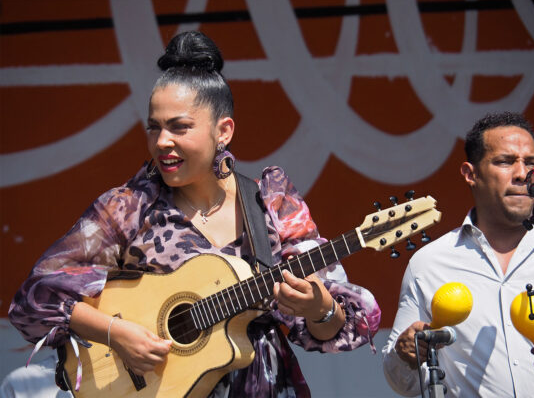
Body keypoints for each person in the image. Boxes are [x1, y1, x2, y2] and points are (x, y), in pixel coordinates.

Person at [8, 30, 380, 397]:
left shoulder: (271, 203)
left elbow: (330, 331)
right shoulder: (128, 208)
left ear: (224, 131)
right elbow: (36, 296)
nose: (162, 142)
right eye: (154, 127)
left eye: (179, 127)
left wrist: (320, 308)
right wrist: (115, 333)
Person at [382, 112, 534, 397]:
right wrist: (406, 353)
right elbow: (401, 381)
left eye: (531, 163)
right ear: (471, 174)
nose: (522, 174)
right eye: (505, 162)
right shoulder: (429, 263)